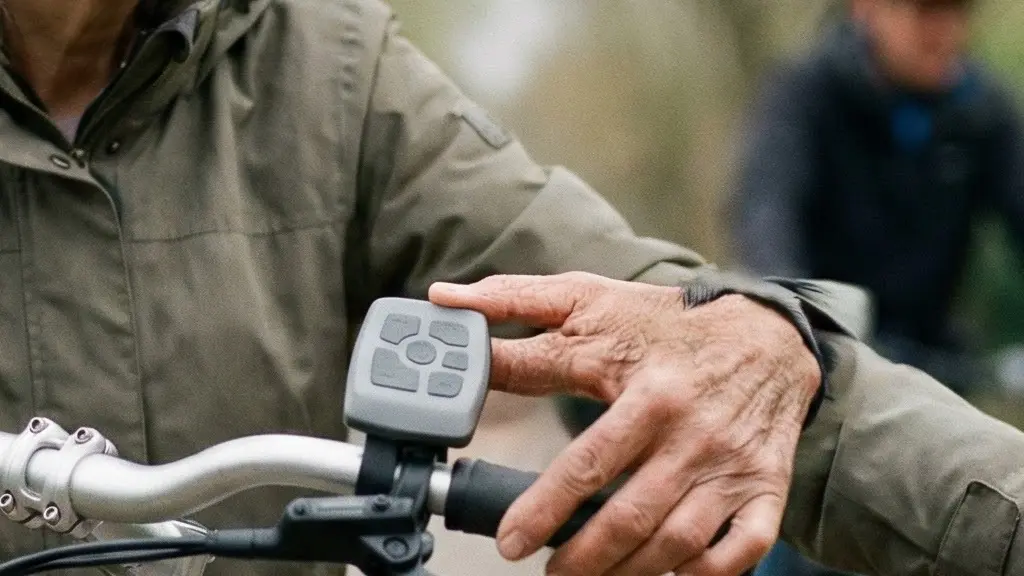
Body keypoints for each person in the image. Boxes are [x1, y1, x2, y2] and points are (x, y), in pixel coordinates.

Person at [0, 1, 871, 575]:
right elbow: (767, 206)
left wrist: (754, 335)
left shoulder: (331, 67)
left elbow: (641, 296)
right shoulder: (808, 98)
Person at [432, 272, 1024, 576]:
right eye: (924, 23)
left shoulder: (981, 118)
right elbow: (769, 208)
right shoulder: (810, 101)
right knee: (756, 513)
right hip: (827, 325)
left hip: (925, 353)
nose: (940, 40)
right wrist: (777, 315)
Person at [732, 0, 1024, 396]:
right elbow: (766, 210)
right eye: (924, 13)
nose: (944, 32)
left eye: (957, 12)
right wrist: (791, 313)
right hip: (825, 350)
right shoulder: (805, 94)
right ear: (866, 9)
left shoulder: (983, 110)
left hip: (933, 358)